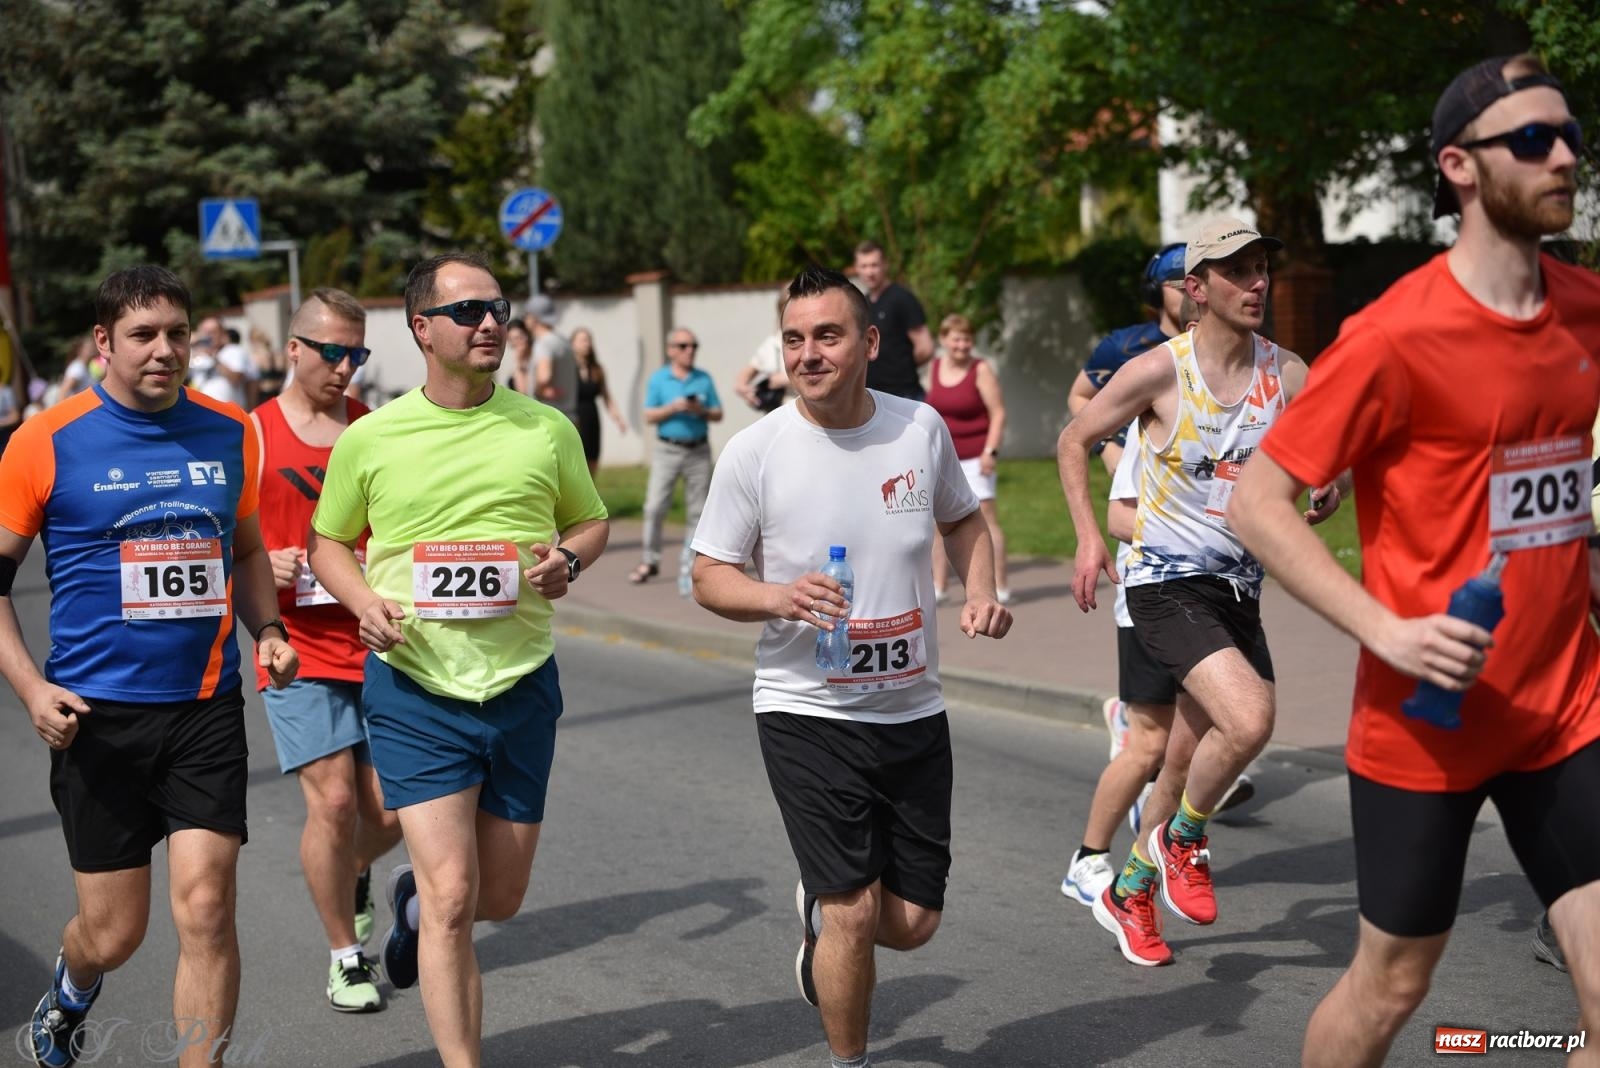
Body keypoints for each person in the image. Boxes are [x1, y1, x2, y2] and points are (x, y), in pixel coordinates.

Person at [1229, 56, 1600, 1066]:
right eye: (1532, 140)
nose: (1563, 155)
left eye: (1569, 136)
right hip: (1424, 727)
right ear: (1460, 166)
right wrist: (1384, 628)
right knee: (1392, 986)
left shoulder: (1583, 310)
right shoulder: (1393, 337)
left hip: (1564, 704)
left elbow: (1554, 491)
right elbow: (1257, 502)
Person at [692, 265, 1012, 1068]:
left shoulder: (919, 429)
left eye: (827, 335)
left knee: (911, 925)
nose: (808, 354)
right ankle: (850, 1059)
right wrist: (776, 598)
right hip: (806, 708)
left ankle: (819, 918)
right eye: (794, 339)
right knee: (855, 911)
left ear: (869, 342)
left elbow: (965, 522)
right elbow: (707, 575)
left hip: (911, 709)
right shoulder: (755, 452)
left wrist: (981, 593)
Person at [307, 252, 608, 1068]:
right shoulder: (373, 437)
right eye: (469, 310)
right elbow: (328, 541)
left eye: (498, 308)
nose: (489, 323)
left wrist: (569, 564)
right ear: (421, 328)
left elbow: (590, 522)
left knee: (497, 900)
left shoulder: (544, 428)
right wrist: (363, 603)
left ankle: (402, 910)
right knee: (452, 898)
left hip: (518, 685)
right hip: (417, 689)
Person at [1, 265, 297, 1068]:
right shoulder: (45, 440)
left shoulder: (229, 431)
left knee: (206, 907)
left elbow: (243, 549)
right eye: (143, 335)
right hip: (95, 719)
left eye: (178, 333)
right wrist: (32, 688)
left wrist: (266, 627)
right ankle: (71, 986)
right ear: (103, 342)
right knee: (114, 933)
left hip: (204, 709)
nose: (166, 350)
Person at [1058, 216, 1340, 967]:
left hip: (1236, 589)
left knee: (1184, 762)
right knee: (1249, 721)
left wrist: (1331, 479)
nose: (1258, 284)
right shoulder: (1159, 370)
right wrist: (1091, 537)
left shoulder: (1291, 371)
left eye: (1263, 269)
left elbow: (1328, 443)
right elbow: (1072, 439)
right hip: (1165, 582)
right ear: (1198, 288)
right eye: (1238, 271)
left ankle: (1133, 889)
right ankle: (1184, 839)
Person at [249, 287, 403, 1013]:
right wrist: (258, 567)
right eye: (332, 353)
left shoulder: (374, 430)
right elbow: (217, 542)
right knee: (335, 800)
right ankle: (347, 956)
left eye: (358, 353)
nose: (346, 368)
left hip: (375, 641)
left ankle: (355, 872)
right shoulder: (252, 435)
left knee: (394, 814)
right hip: (296, 646)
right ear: (293, 350)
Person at [1068, 243, 1188, 475]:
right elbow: (1079, 396)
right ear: (1154, 292)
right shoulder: (1122, 347)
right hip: (1137, 483)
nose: (1192, 292)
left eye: (1199, 283)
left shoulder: (1225, 348)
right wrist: (1105, 446)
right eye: (1179, 284)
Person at [924, 313, 1009, 603]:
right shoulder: (934, 368)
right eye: (956, 339)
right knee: (938, 523)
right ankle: (939, 585)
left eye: (967, 339)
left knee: (985, 520)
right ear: (944, 340)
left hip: (976, 457)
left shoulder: (980, 369)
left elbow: (998, 412)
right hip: (944, 458)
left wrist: (991, 451)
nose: (962, 345)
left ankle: (998, 586)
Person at [630, 326, 722, 585]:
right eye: (683, 346)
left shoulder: (703, 378)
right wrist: (673, 407)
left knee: (698, 511)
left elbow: (718, 413)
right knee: (654, 506)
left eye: (693, 346)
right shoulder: (659, 379)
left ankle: (691, 565)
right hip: (667, 449)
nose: (689, 351)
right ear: (671, 350)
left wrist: (700, 410)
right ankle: (650, 560)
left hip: (698, 450)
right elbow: (648, 415)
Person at [853, 241, 932, 401]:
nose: (869, 272)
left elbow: (925, 348)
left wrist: (900, 369)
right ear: (857, 268)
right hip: (872, 397)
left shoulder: (902, 298)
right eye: (864, 266)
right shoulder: (862, 303)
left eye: (874, 265)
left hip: (905, 395)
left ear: (885, 265)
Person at [571, 327, 627, 476]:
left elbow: (607, 396)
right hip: (574, 418)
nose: (587, 344)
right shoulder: (567, 369)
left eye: (589, 340)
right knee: (576, 460)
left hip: (592, 417)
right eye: (583, 340)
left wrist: (618, 418)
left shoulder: (597, 369)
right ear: (573, 344)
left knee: (593, 459)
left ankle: (591, 494)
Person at [526, 294, 579, 426]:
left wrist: (538, 391)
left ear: (533, 318)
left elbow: (544, 377)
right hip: (569, 417)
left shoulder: (544, 343)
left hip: (550, 419)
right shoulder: (563, 341)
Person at [734, 295, 789, 412]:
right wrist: (749, 393)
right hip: (777, 414)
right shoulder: (772, 343)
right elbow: (741, 381)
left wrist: (786, 380)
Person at [505, 319, 535, 395]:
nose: (516, 343)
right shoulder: (517, 361)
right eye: (512, 340)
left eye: (518, 338)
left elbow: (523, 392)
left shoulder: (537, 358)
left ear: (527, 335)